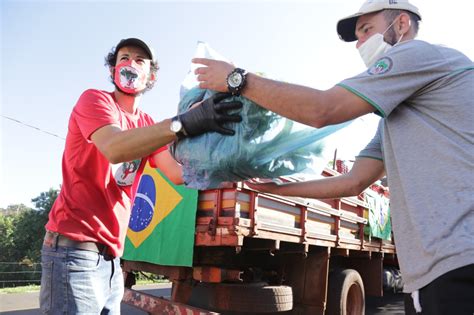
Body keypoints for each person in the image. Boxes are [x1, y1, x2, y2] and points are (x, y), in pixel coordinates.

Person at [192, 0, 474, 313]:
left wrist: (238, 80)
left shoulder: (417, 54)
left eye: (367, 30)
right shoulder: (399, 115)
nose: (361, 44)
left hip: (459, 260)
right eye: (358, 38)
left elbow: (324, 109)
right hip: (437, 269)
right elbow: (354, 181)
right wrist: (276, 190)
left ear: (402, 24)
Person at [39, 37, 242, 314]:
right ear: (113, 71)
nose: (130, 64)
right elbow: (115, 148)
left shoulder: (146, 124)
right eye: (123, 58)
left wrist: (231, 159)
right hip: (74, 252)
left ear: (151, 77)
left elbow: (177, 174)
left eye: (139, 60)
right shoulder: (95, 100)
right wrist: (182, 123)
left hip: (112, 260)